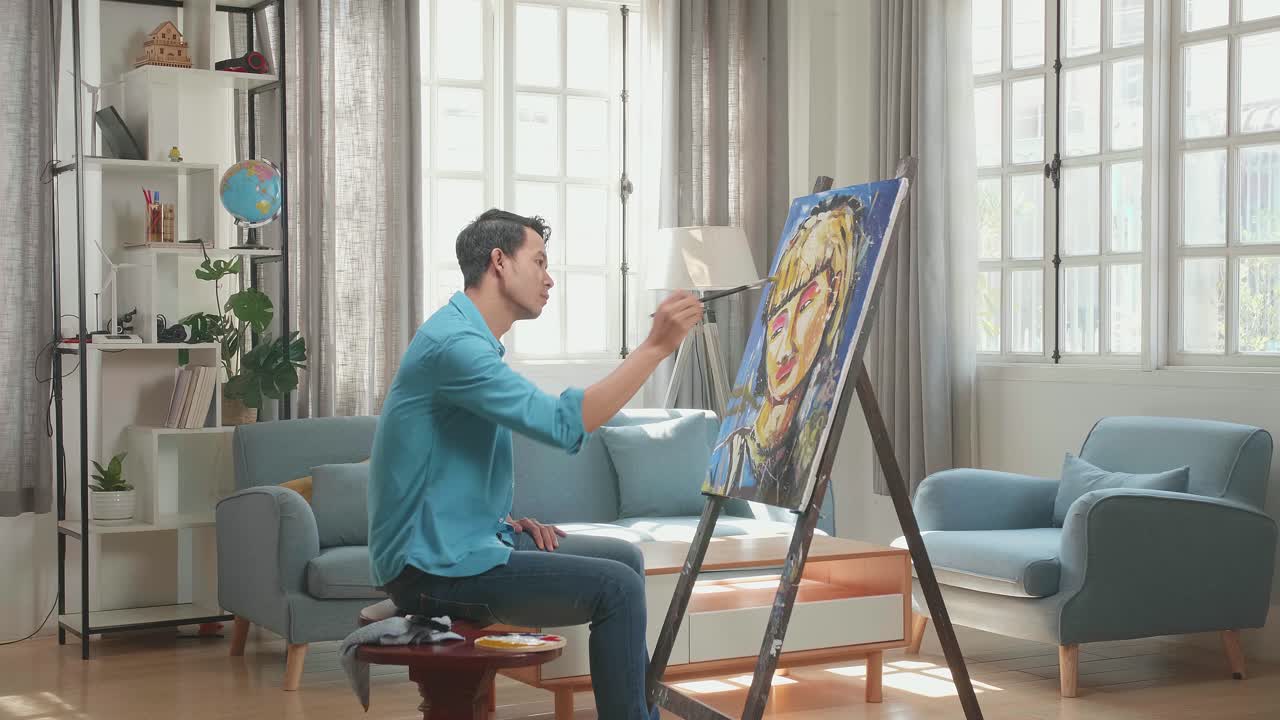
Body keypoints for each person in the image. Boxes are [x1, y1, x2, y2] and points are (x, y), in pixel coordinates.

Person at [368, 208, 702, 720]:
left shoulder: (467, 338)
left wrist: (499, 523)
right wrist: (656, 347)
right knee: (617, 588)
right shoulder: (455, 347)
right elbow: (561, 425)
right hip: (430, 569)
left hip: (464, 544)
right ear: (499, 262)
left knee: (625, 561)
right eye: (540, 261)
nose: (549, 279)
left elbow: (439, 465)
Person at [706, 194, 866, 508]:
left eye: (805, 306)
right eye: (777, 326)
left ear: (832, 301)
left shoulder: (804, 448)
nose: (786, 347)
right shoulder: (732, 459)